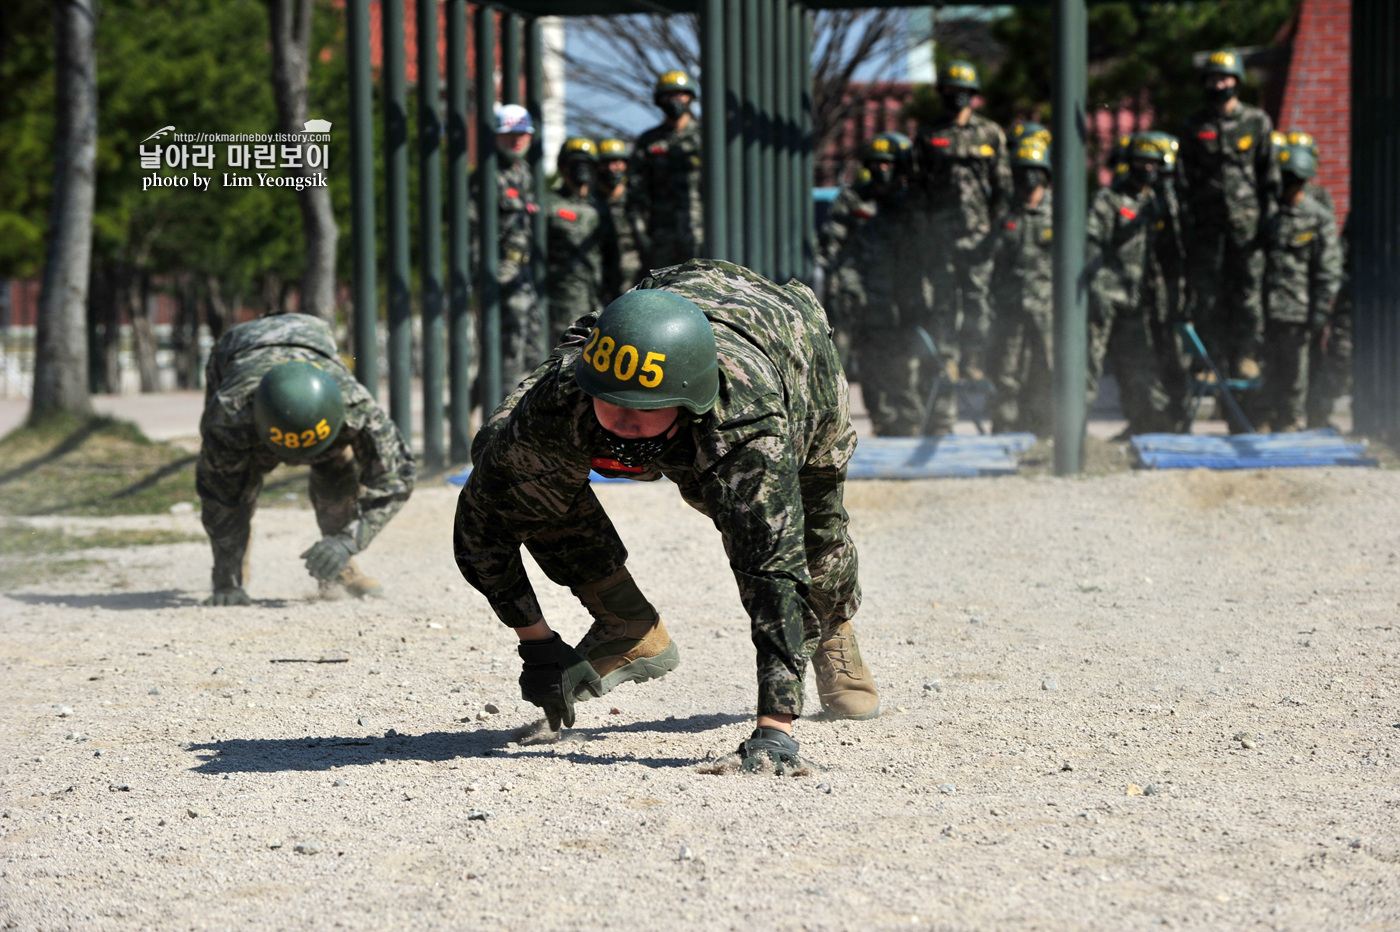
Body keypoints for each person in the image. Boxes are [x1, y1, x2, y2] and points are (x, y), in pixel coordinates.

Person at [453, 260, 881, 771]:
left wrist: (775, 726)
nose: (626, 423)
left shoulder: (747, 426)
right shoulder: (568, 391)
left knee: (813, 538)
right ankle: (625, 622)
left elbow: (771, 566)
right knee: (524, 471)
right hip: (667, 310)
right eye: (613, 405)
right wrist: (536, 642)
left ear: (687, 404)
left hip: (793, 352)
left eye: (644, 410)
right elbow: (484, 519)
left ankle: (832, 625)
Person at [197, 314, 416, 606]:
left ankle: (339, 568)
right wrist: (226, 581)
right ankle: (235, 566)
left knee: (337, 464)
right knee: (236, 478)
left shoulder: (357, 408)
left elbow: (397, 476)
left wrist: (348, 541)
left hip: (310, 337)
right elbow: (220, 495)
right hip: (236, 349)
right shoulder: (229, 414)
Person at [914, 60, 1012, 435]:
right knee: (942, 305)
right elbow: (919, 190)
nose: (957, 97)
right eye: (951, 91)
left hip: (979, 238)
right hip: (940, 238)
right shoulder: (928, 134)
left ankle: (974, 360)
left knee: (978, 302)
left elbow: (1003, 190)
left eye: (964, 91)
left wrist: (994, 234)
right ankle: (948, 361)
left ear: (973, 95)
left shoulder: (991, 134)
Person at [1178, 49, 1278, 383]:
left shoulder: (1256, 122)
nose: (1219, 84)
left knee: (1247, 295)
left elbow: (1269, 177)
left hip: (1246, 228)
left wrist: (1268, 221)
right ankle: (1210, 361)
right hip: (1207, 228)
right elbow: (1183, 180)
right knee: (1208, 297)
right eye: (1212, 78)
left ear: (1237, 81)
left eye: (1225, 78)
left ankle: (1246, 355)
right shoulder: (1193, 126)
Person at [1086, 133, 1188, 437]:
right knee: (1089, 365)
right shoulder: (1109, 199)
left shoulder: (1159, 202)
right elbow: (1091, 243)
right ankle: (1071, 430)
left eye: (1153, 163)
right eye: (1140, 161)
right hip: (1107, 294)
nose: (1146, 168)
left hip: (1139, 301)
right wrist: (1095, 286)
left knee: (1139, 367)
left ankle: (1147, 426)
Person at [845, 132, 932, 436]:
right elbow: (837, 249)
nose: (883, 169)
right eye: (876, 164)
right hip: (870, 300)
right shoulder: (855, 199)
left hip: (907, 300)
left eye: (889, 163)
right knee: (871, 365)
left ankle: (910, 423)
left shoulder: (913, 203)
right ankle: (883, 422)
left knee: (907, 363)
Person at [1259, 144, 1342, 432]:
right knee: (1268, 368)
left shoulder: (1317, 217)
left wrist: (1320, 310)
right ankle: (1270, 419)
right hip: (1268, 308)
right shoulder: (1270, 216)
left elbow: (1328, 268)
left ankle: (1292, 421)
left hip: (1299, 310)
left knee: (1297, 371)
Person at [987, 135, 1056, 435]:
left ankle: (1046, 432)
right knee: (1007, 373)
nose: (1029, 176)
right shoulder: (1003, 213)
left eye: (1035, 169)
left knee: (1048, 371)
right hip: (1009, 308)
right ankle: (1005, 430)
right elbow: (991, 260)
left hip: (1048, 311)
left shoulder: (1060, 213)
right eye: (1022, 169)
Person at [472, 103, 542, 398]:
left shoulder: (525, 173)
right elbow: (472, 229)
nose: (517, 140)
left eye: (522, 134)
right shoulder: (486, 177)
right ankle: (502, 412)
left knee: (532, 345)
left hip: (524, 273)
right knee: (508, 346)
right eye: (510, 134)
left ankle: (473, 402)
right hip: (499, 274)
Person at [545, 137, 619, 346]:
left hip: (597, 298)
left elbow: (611, 254)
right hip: (561, 301)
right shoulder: (550, 204)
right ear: (562, 167)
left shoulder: (601, 207)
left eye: (587, 165)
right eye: (575, 164)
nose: (582, 170)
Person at [630, 70, 704, 270]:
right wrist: (642, 234)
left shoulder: (704, 137)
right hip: (662, 235)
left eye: (680, 94)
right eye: (668, 95)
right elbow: (636, 192)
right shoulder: (649, 141)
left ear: (690, 97)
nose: (675, 100)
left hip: (701, 232)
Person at [1307, 214, 1352, 429]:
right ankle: (1318, 414)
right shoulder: (1371, 212)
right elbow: (1341, 256)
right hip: (1355, 300)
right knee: (1340, 357)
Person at [597, 138, 644, 301]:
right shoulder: (590, 201)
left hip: (634, 280)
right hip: (599, 281)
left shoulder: (638, 200)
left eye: (617, 162)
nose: (612, 169)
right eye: (606, 163)